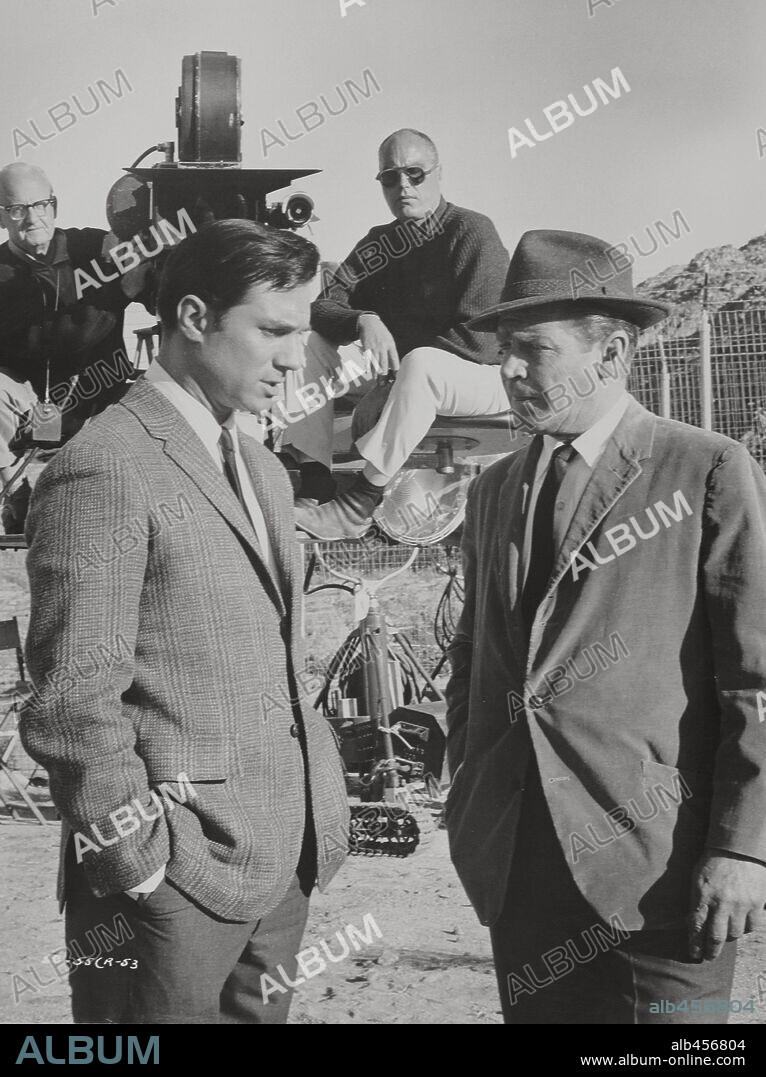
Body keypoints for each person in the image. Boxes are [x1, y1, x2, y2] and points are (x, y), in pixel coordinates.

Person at [19, 220, 350, 1024]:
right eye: (272, 330)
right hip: (165, 892)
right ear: (194, 317)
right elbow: (72, 700)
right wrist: (138, 867)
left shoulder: (265, 470)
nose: (292, 358)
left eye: (301, 333)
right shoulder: (104, 463)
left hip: (280, 872)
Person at [445, 228, 766, 1024]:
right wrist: (471, 800)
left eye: (531, 349)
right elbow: (471, 668)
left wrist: (742, 844)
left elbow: (756, 678)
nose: (509, 371)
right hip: (520, 872)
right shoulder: (491, 493)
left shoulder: (707, 470)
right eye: (501, 351)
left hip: (660, 875)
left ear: (613, 353)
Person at [289, 128, 510, 538]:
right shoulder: (380, 244)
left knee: (422, 363)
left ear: (438, 173)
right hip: (411, 376)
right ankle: (315, 482)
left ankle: (358, 505)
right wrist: (362, 320)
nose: (403, 186)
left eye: (415, 173)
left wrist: (392, 383)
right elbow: (323, 307)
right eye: (390, 178)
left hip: (487, 376)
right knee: (308, 343)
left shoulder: (471, 232)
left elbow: (480, 342)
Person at [0, 162, 150, 531]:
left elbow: (155, 294)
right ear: (3, 217)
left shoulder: (93, 246)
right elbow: (39, 338)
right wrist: (118, 292)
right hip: (29, 402)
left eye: (40, 205)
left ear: (55, 206)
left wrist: (158, 255)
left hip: (102, 397)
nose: (32, 218)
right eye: (17, 209)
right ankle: (15, 491)